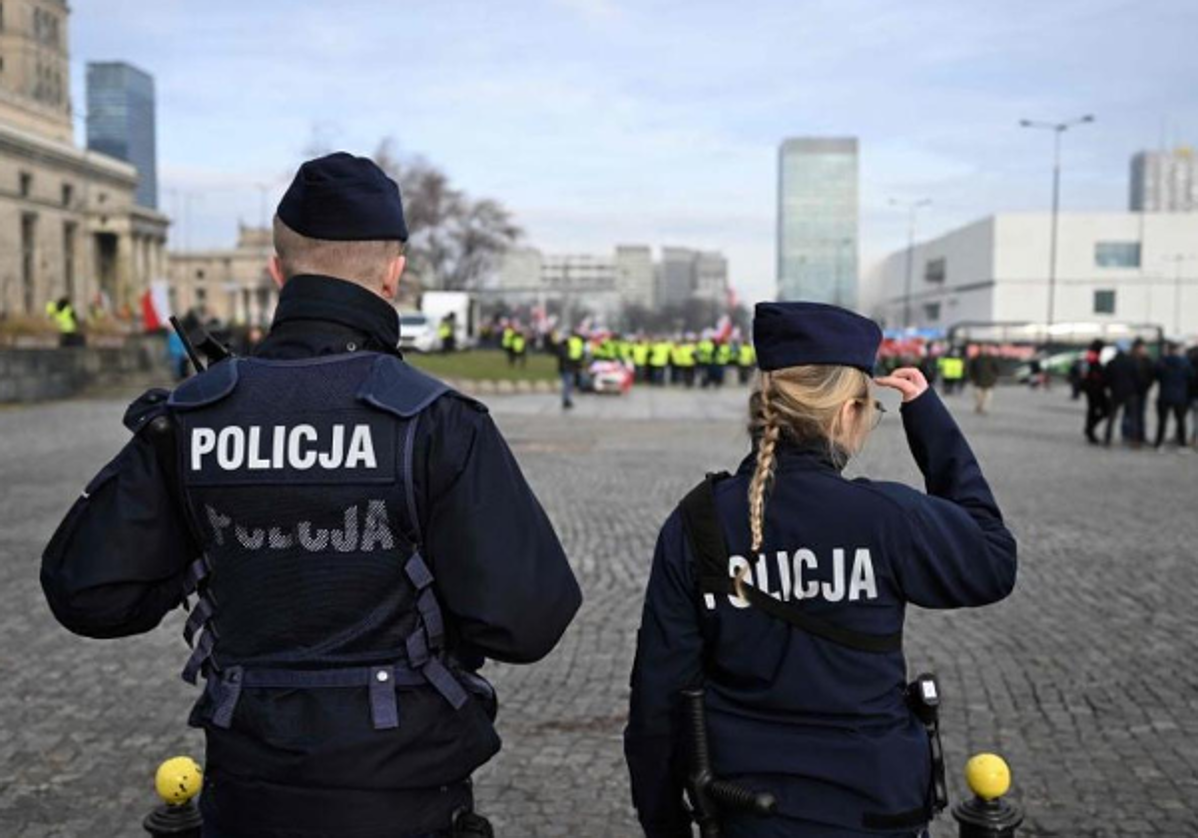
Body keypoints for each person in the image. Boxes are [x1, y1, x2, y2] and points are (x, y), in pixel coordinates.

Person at [41, 152, 582, 838]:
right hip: (404, 787)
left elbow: (87, 591)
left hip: (248, 785)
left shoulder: (192, 418)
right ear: (393, 272)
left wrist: (207, 538)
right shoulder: (436, 419)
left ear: (277, 271)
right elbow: (529, 618)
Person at [625, 302, 1016, 838]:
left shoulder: (697, 521)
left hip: (748, 810)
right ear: (846, 412)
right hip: (876, 806)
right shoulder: (885, 516)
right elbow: (993, 559)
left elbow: (659, 696)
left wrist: (663, 822)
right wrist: (928, 419)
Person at [1152, 342, 1193, 449]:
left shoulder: (1161, 362)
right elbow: (1191, 378)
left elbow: (1155, 375)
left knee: (1162, 422)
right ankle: (1182, 444)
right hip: (1180, 396)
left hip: (1164, 395)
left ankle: (1159, 443)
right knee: (1181, 421)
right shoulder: (1185, 363)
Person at [1104, 341, 1142, 447]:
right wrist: (1136, 389)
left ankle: (1108, 438)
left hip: (1115, 392)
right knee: (1133, 417)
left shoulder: (1111, 362)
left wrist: (1110, 388)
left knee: (1112, 417)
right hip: (1130, 392)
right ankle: (1134, 440)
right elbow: (1137, 378)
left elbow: (1106, 378)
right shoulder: (1132, 361)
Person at [1081, 339, 1109, 445]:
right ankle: (1090, 429)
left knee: (1093, 410)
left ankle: (1089, 429)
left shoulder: (1090, 357)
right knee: (1102, 410)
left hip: (1092, 389)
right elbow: (1093, 375)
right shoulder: (1092, 358)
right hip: (1094, 389)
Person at [968, 344, 1000, 415]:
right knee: (978, 396)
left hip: (989, 381)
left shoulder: (992, 358)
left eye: (985, 348)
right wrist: (972, 378)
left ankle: (984, 408)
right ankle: (979, 406)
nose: (984, 350)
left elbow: (997, 369)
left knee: (988, 397)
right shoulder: (975, 358)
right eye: (982, 348)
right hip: (978, 381)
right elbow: (971, 369)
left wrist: (994, 378)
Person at [559, 329, 585, 409]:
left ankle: (567, 399)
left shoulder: (565, 343)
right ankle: (566, 400)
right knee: (568, 383)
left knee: (569, 384)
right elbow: (567, 356)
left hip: (568, 366)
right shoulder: (566, 344)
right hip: (567, 366)